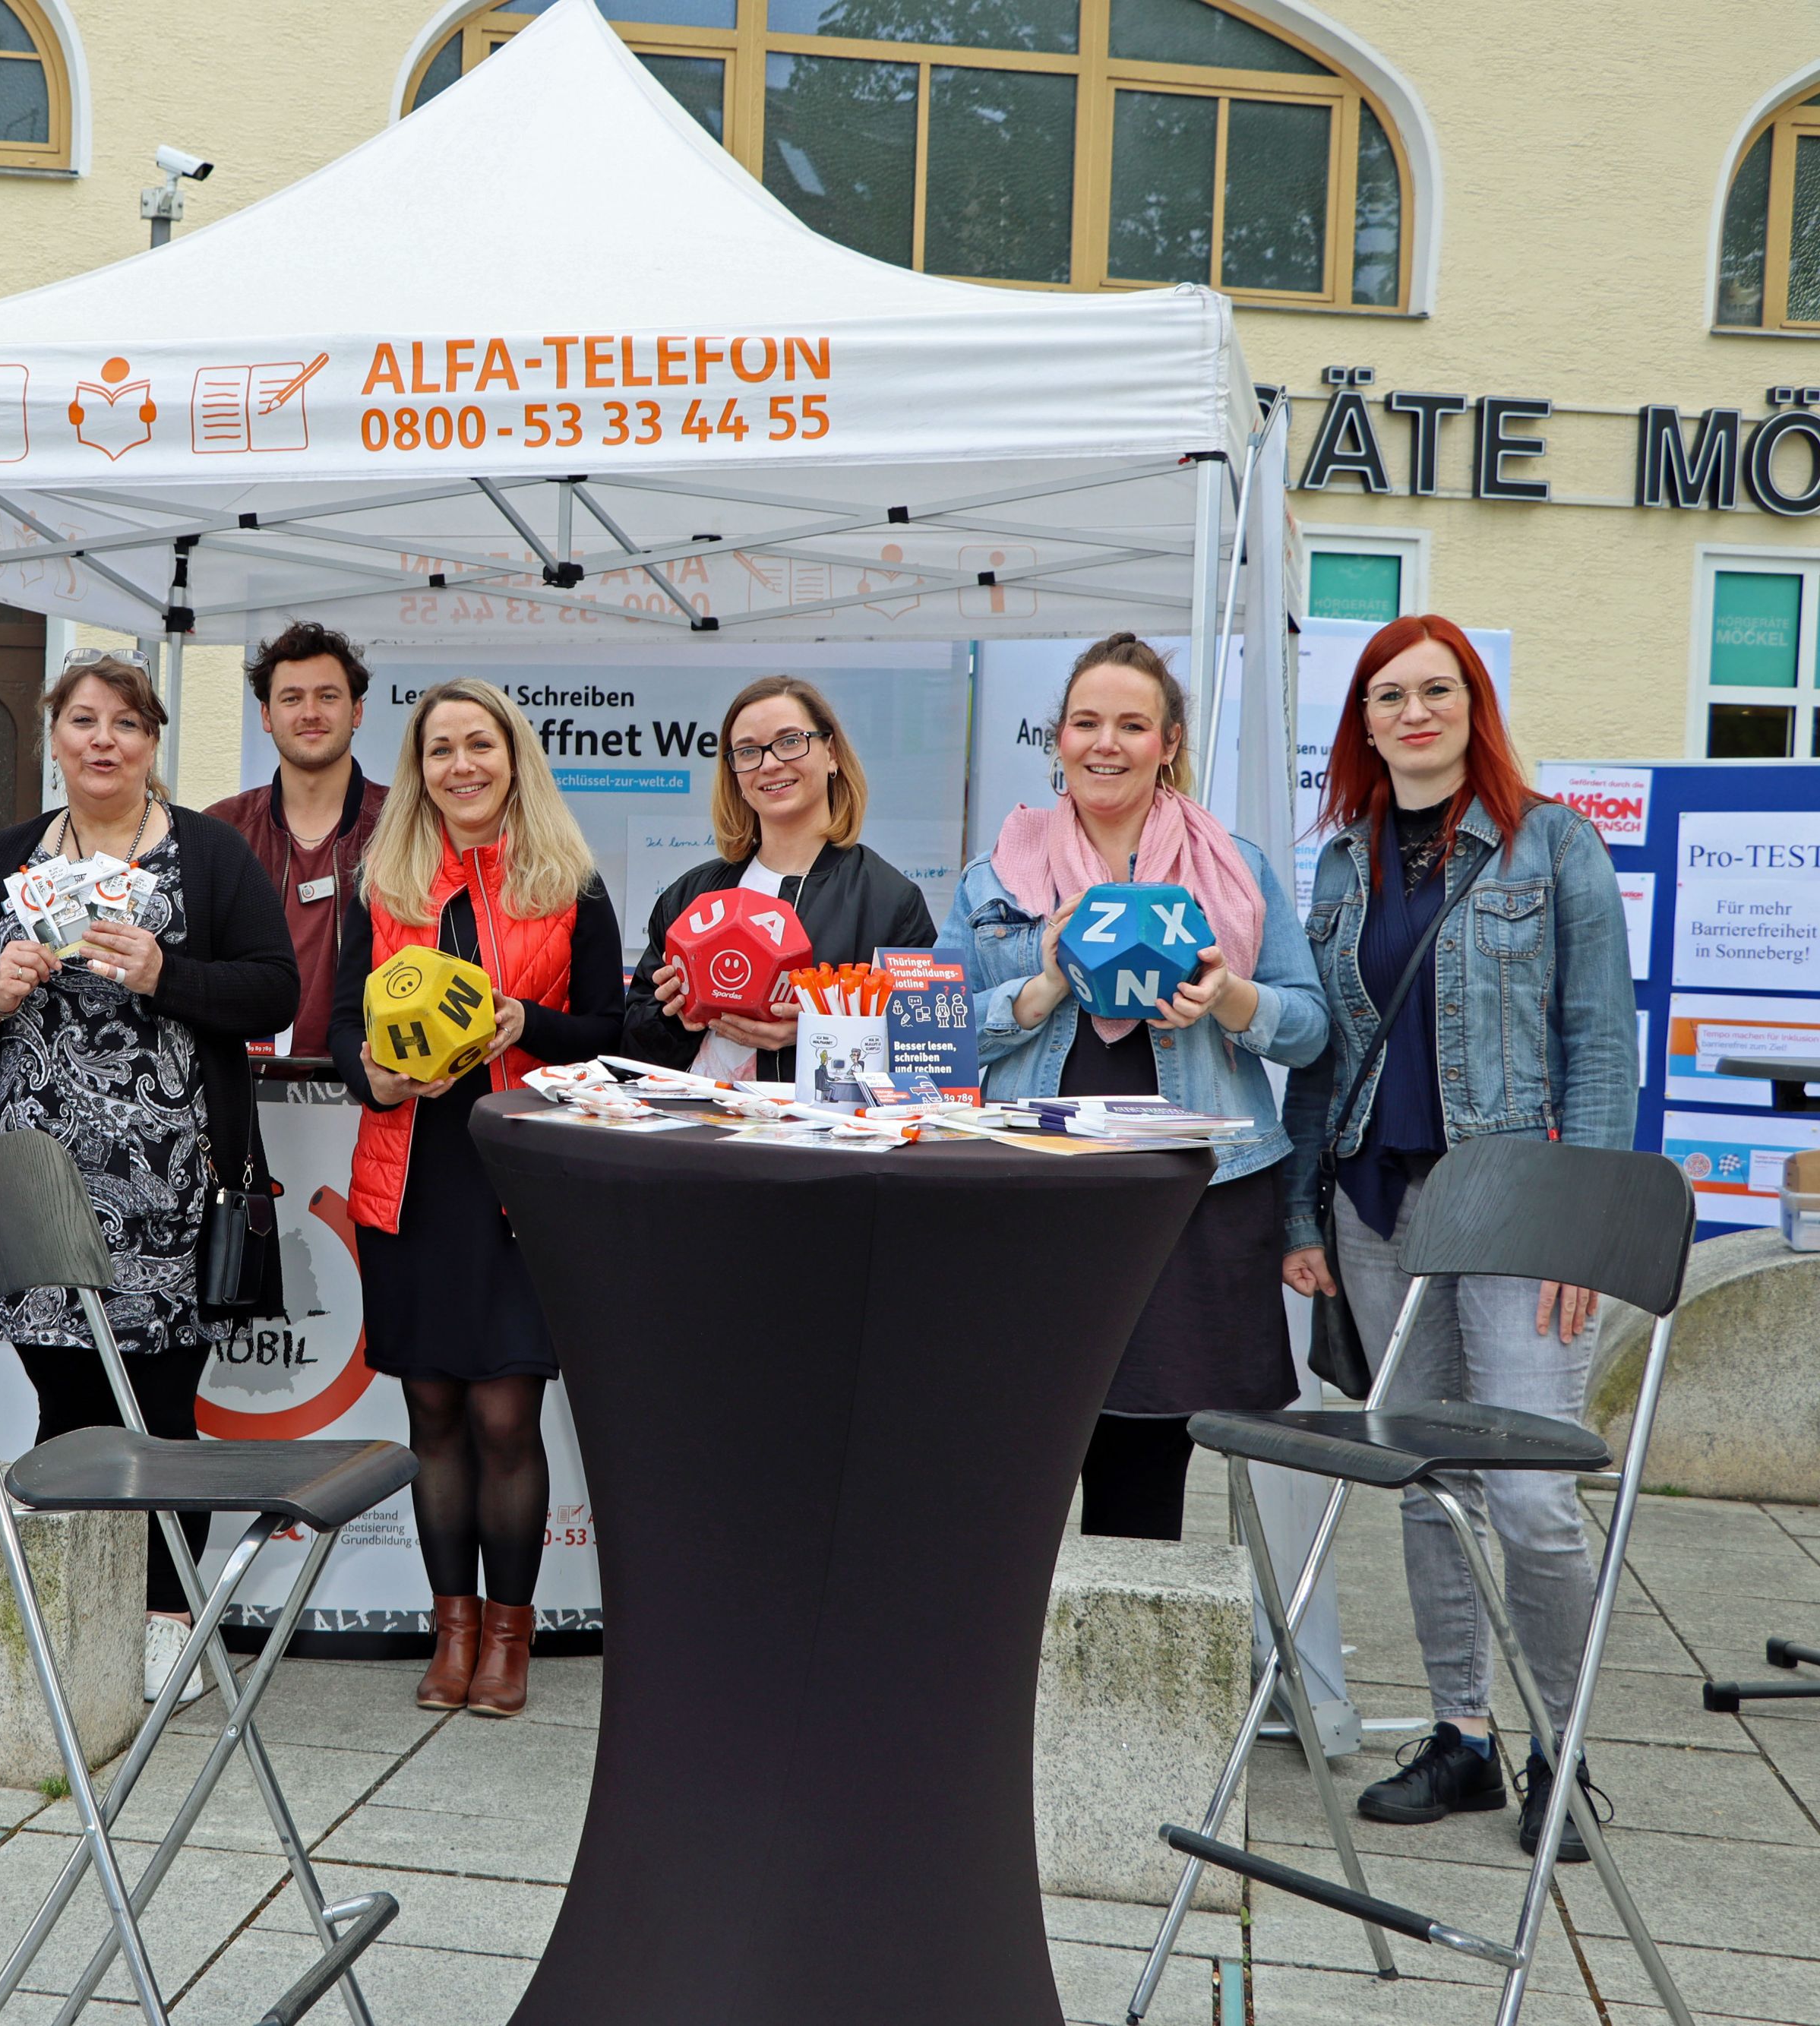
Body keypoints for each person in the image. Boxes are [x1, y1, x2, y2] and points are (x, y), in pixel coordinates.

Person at [1278, 615, 1634, 1864]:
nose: (1415, 712)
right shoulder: (1339, 867)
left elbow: (1600, 1044)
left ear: (1473, 705)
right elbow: (1323, 1057)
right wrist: (1302, 1213)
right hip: (1379, 1207)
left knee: (1533, 1500)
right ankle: (1463, 1736)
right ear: (1363, 722)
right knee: (1430, 1487)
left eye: (1439, 691)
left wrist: (1587, 1229)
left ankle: (1562, 1747)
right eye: (1391, 696)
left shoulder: (1557, 845)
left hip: (1521, 1208)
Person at [0, 653, 298, 1702]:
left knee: (166, 1403)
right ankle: (79, 1605)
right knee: (67, 1396)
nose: (103, 740)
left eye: (126, 724)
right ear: (54, 735)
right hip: (35, 1175)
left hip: (172, 1183)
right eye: (83, 720)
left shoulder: (210, 856)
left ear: (153, 740)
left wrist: (165, 972)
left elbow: (275, 983)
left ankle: (170, 1619)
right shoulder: (3, 860)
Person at [943, 634, 1326, 1543]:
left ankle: (1115, 1682)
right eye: (1085, 723)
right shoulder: (996, 876)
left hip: (1186, 1201)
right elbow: (934, 1041)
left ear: (1169, 741)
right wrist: (1035, 988)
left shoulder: (1233, 865)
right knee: (1012, 1468)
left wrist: (1226, 997)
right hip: (1030, 1196)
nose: (1104, 743)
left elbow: (1310, 1031)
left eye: (1130, 724)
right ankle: (1008, 1681)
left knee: (1144, 1473)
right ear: (1058, 739)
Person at [328, 678, 624, 1720]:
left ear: (512, 756)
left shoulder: (570, 879)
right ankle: (450, 1626)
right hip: (412, 1175)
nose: (461, 764)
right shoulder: (386, 881)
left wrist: (526, 1020)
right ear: (419, 766)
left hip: (521, 1181)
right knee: (434, 1411)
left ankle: (510, 1634)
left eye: (479, 746)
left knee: (507, 1413)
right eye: (440, 747)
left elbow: (614, 1032)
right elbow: (337, 1032)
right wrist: (379, 1076)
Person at [624, 675, 938, 1079]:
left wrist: (817, 1032)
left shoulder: (891, 900)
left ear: (832, 755)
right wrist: (671, 1017)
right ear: (735, 776)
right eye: (748, 751)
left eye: (790, 741)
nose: (770, 763)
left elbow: (925, 1051)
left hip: (818, 1138)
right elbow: (632, 1054)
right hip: (696, 1131)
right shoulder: (689, 897)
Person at [204, 621, 384, 1063]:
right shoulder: (220, 831)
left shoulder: (405, 827)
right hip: (246, 1082)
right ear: (266, 716)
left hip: (374, 1085)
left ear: (356, 711)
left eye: (328, 696)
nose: (310, 712)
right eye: (291, 698)